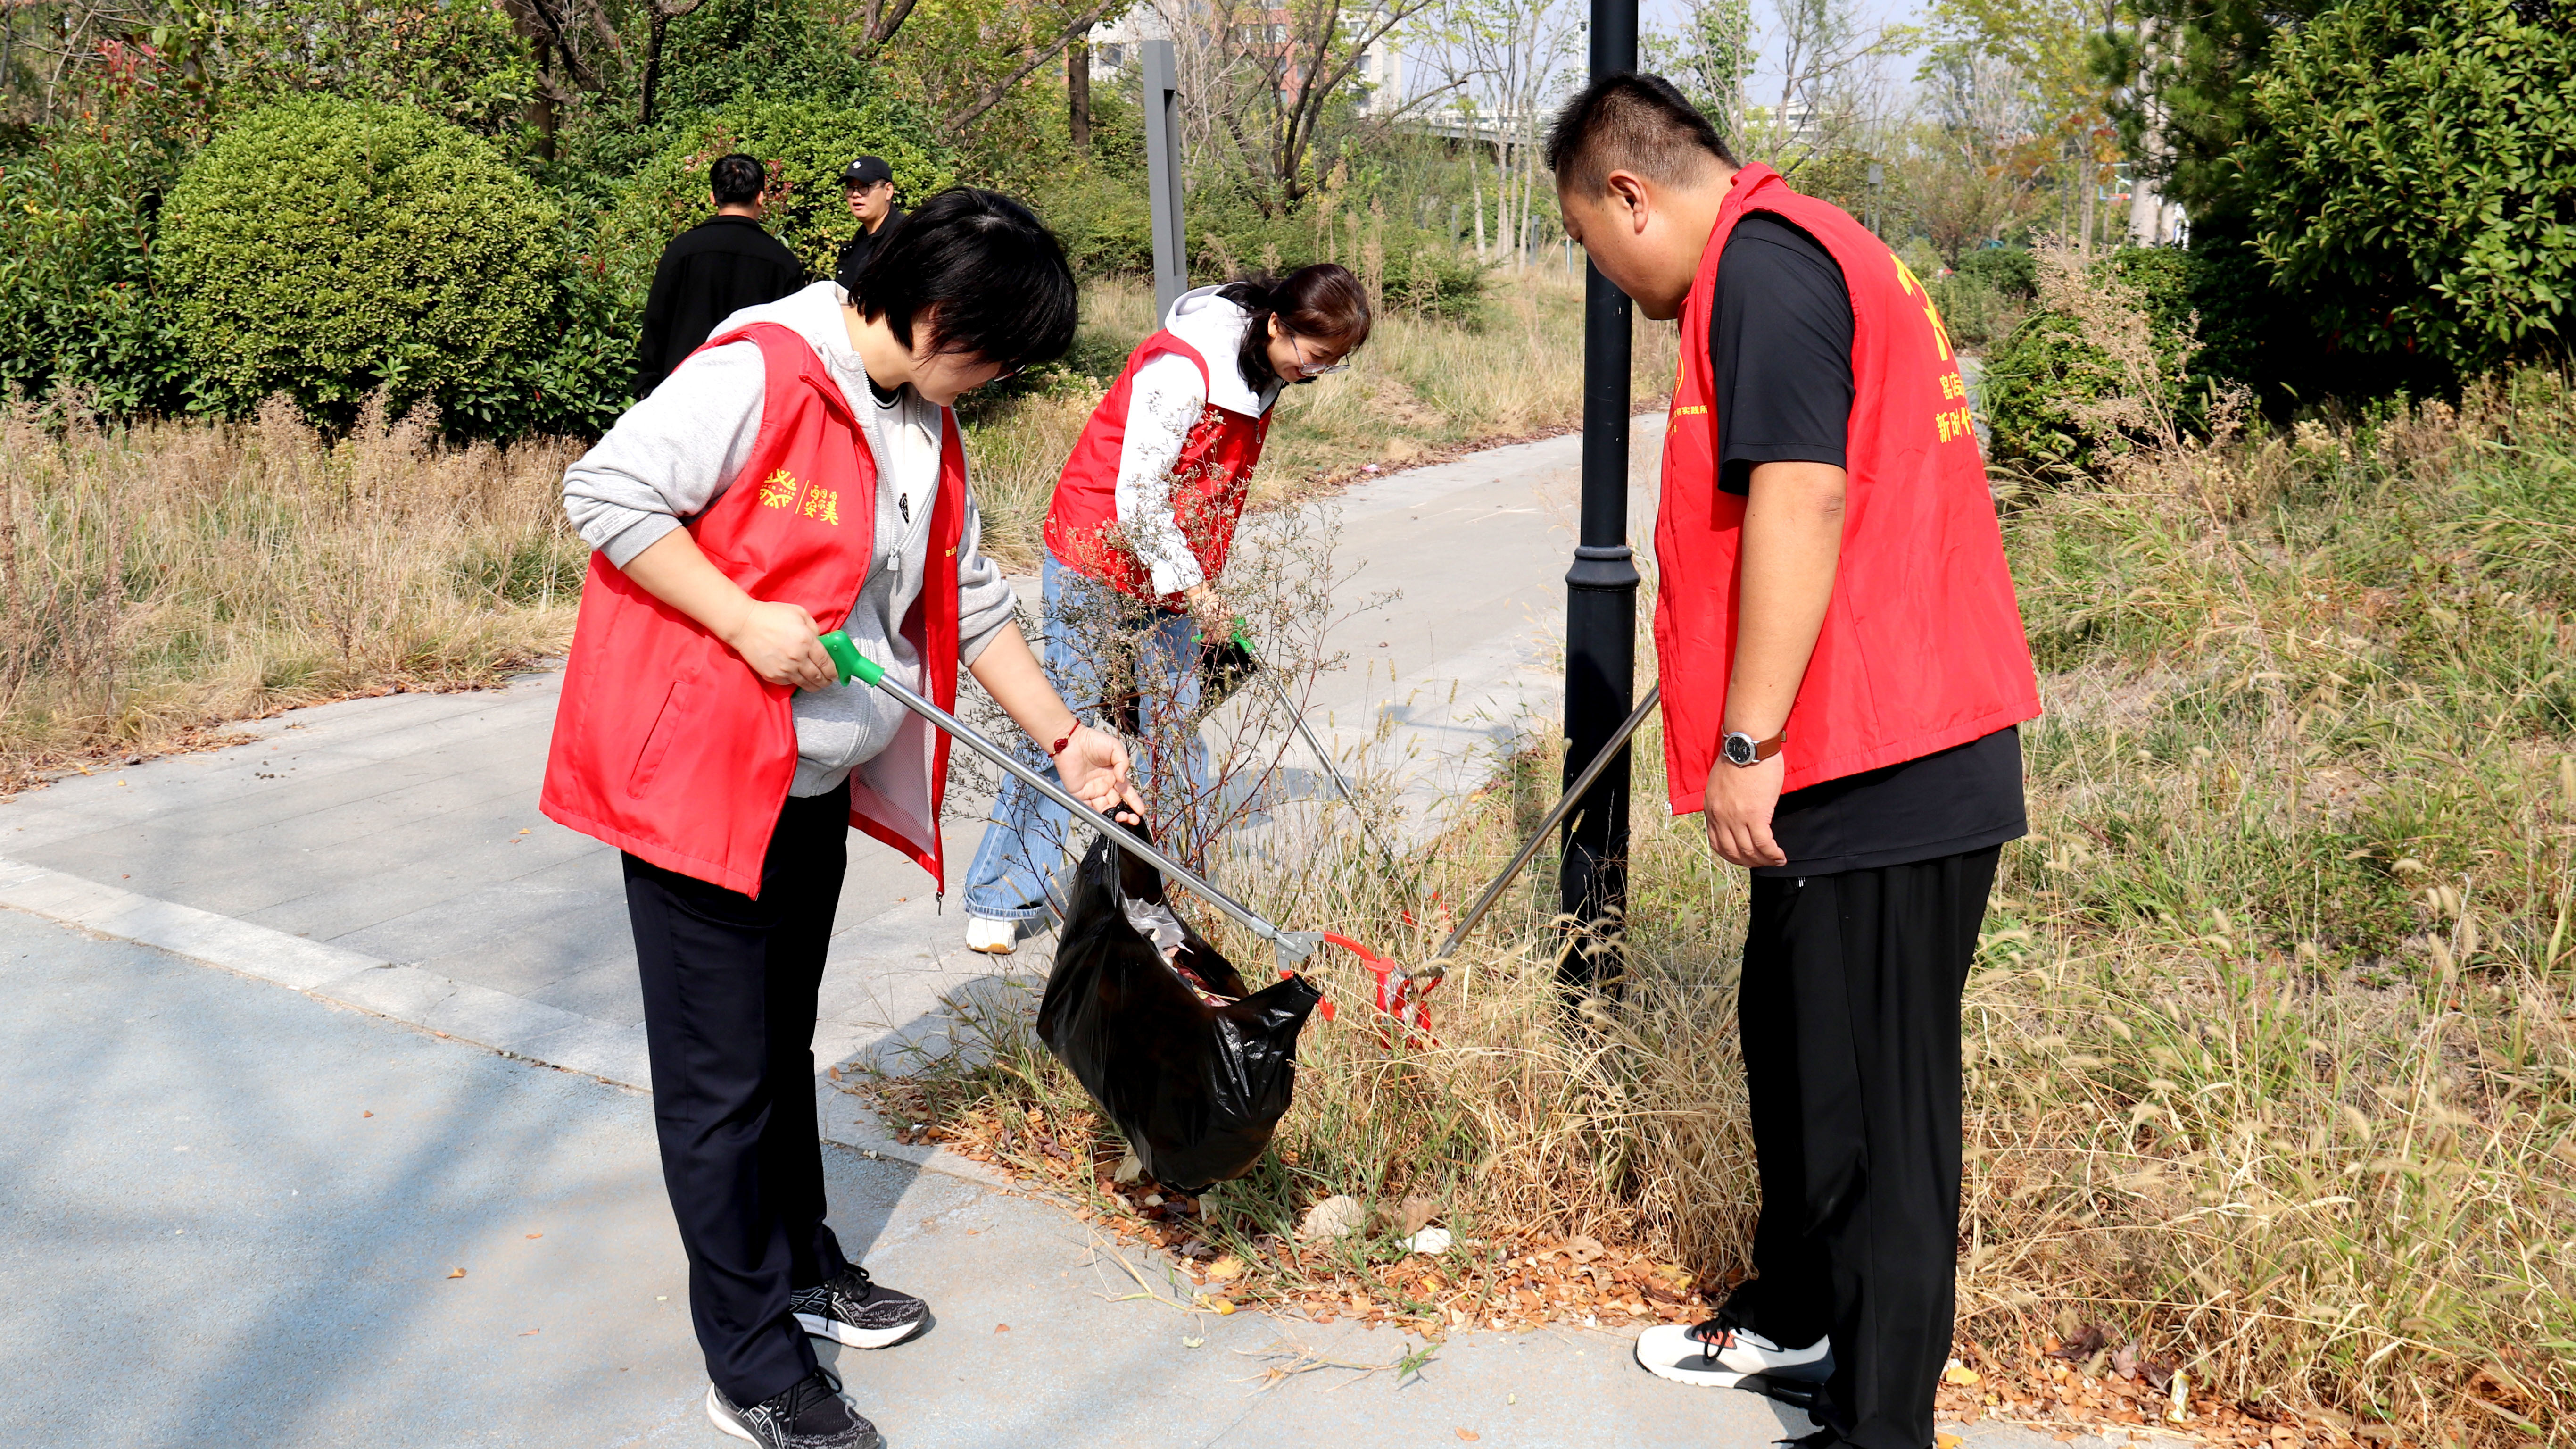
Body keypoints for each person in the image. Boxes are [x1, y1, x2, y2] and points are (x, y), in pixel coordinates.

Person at [545, 189, 1139, 1449]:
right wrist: (741, 617)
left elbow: (965, 599)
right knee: (718, 1086)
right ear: (931, 313)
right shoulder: (760, 369)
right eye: (993, 354)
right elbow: (606, 492)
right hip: (705, 778)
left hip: (803, 780)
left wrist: (1063, 736)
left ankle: (800, 1266)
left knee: (774, 1046)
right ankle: (749, 1361)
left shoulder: (921, 416)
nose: (992, 382)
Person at [1546, 75, 2041, 1449]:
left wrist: (1749, 739)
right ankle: (1803, 1311)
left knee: (1888, 1117)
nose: (1611, 274)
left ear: (1628, 193)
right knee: (1804, 1049)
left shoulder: (1762, 272)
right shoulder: (1806, 246)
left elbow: (1804, 492)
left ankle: (1883, 1426)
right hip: (1866, 744)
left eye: (1594, 243)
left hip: (1881, 753)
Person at [957, 265, 1372, 954]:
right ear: (1276, 324)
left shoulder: (1265, 369)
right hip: (1097, 555)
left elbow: (1203, 492)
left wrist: (1193, 581)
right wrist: (1199, 591)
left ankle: (1172, 882)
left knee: (1174, 727)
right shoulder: (1183, 366)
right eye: (1313, 356)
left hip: (1172, 577)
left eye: (1329, 365)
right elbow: (1139, 499)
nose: (1315, 373)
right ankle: (1001, 894)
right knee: (1062, 724)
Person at [636, 153, 807, 398]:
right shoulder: (783, 262)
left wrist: (648, 386)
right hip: (750, 400)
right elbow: (792, 342)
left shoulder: (681, 250)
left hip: (680, 393)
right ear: (761, 197)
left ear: (713, 197)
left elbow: (656, 325)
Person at [832, 156, 906, 298]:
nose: (855, 194)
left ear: (888, 191)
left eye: (864, 187)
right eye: (850, 188)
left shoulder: (903, 238)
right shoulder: (858, 242)